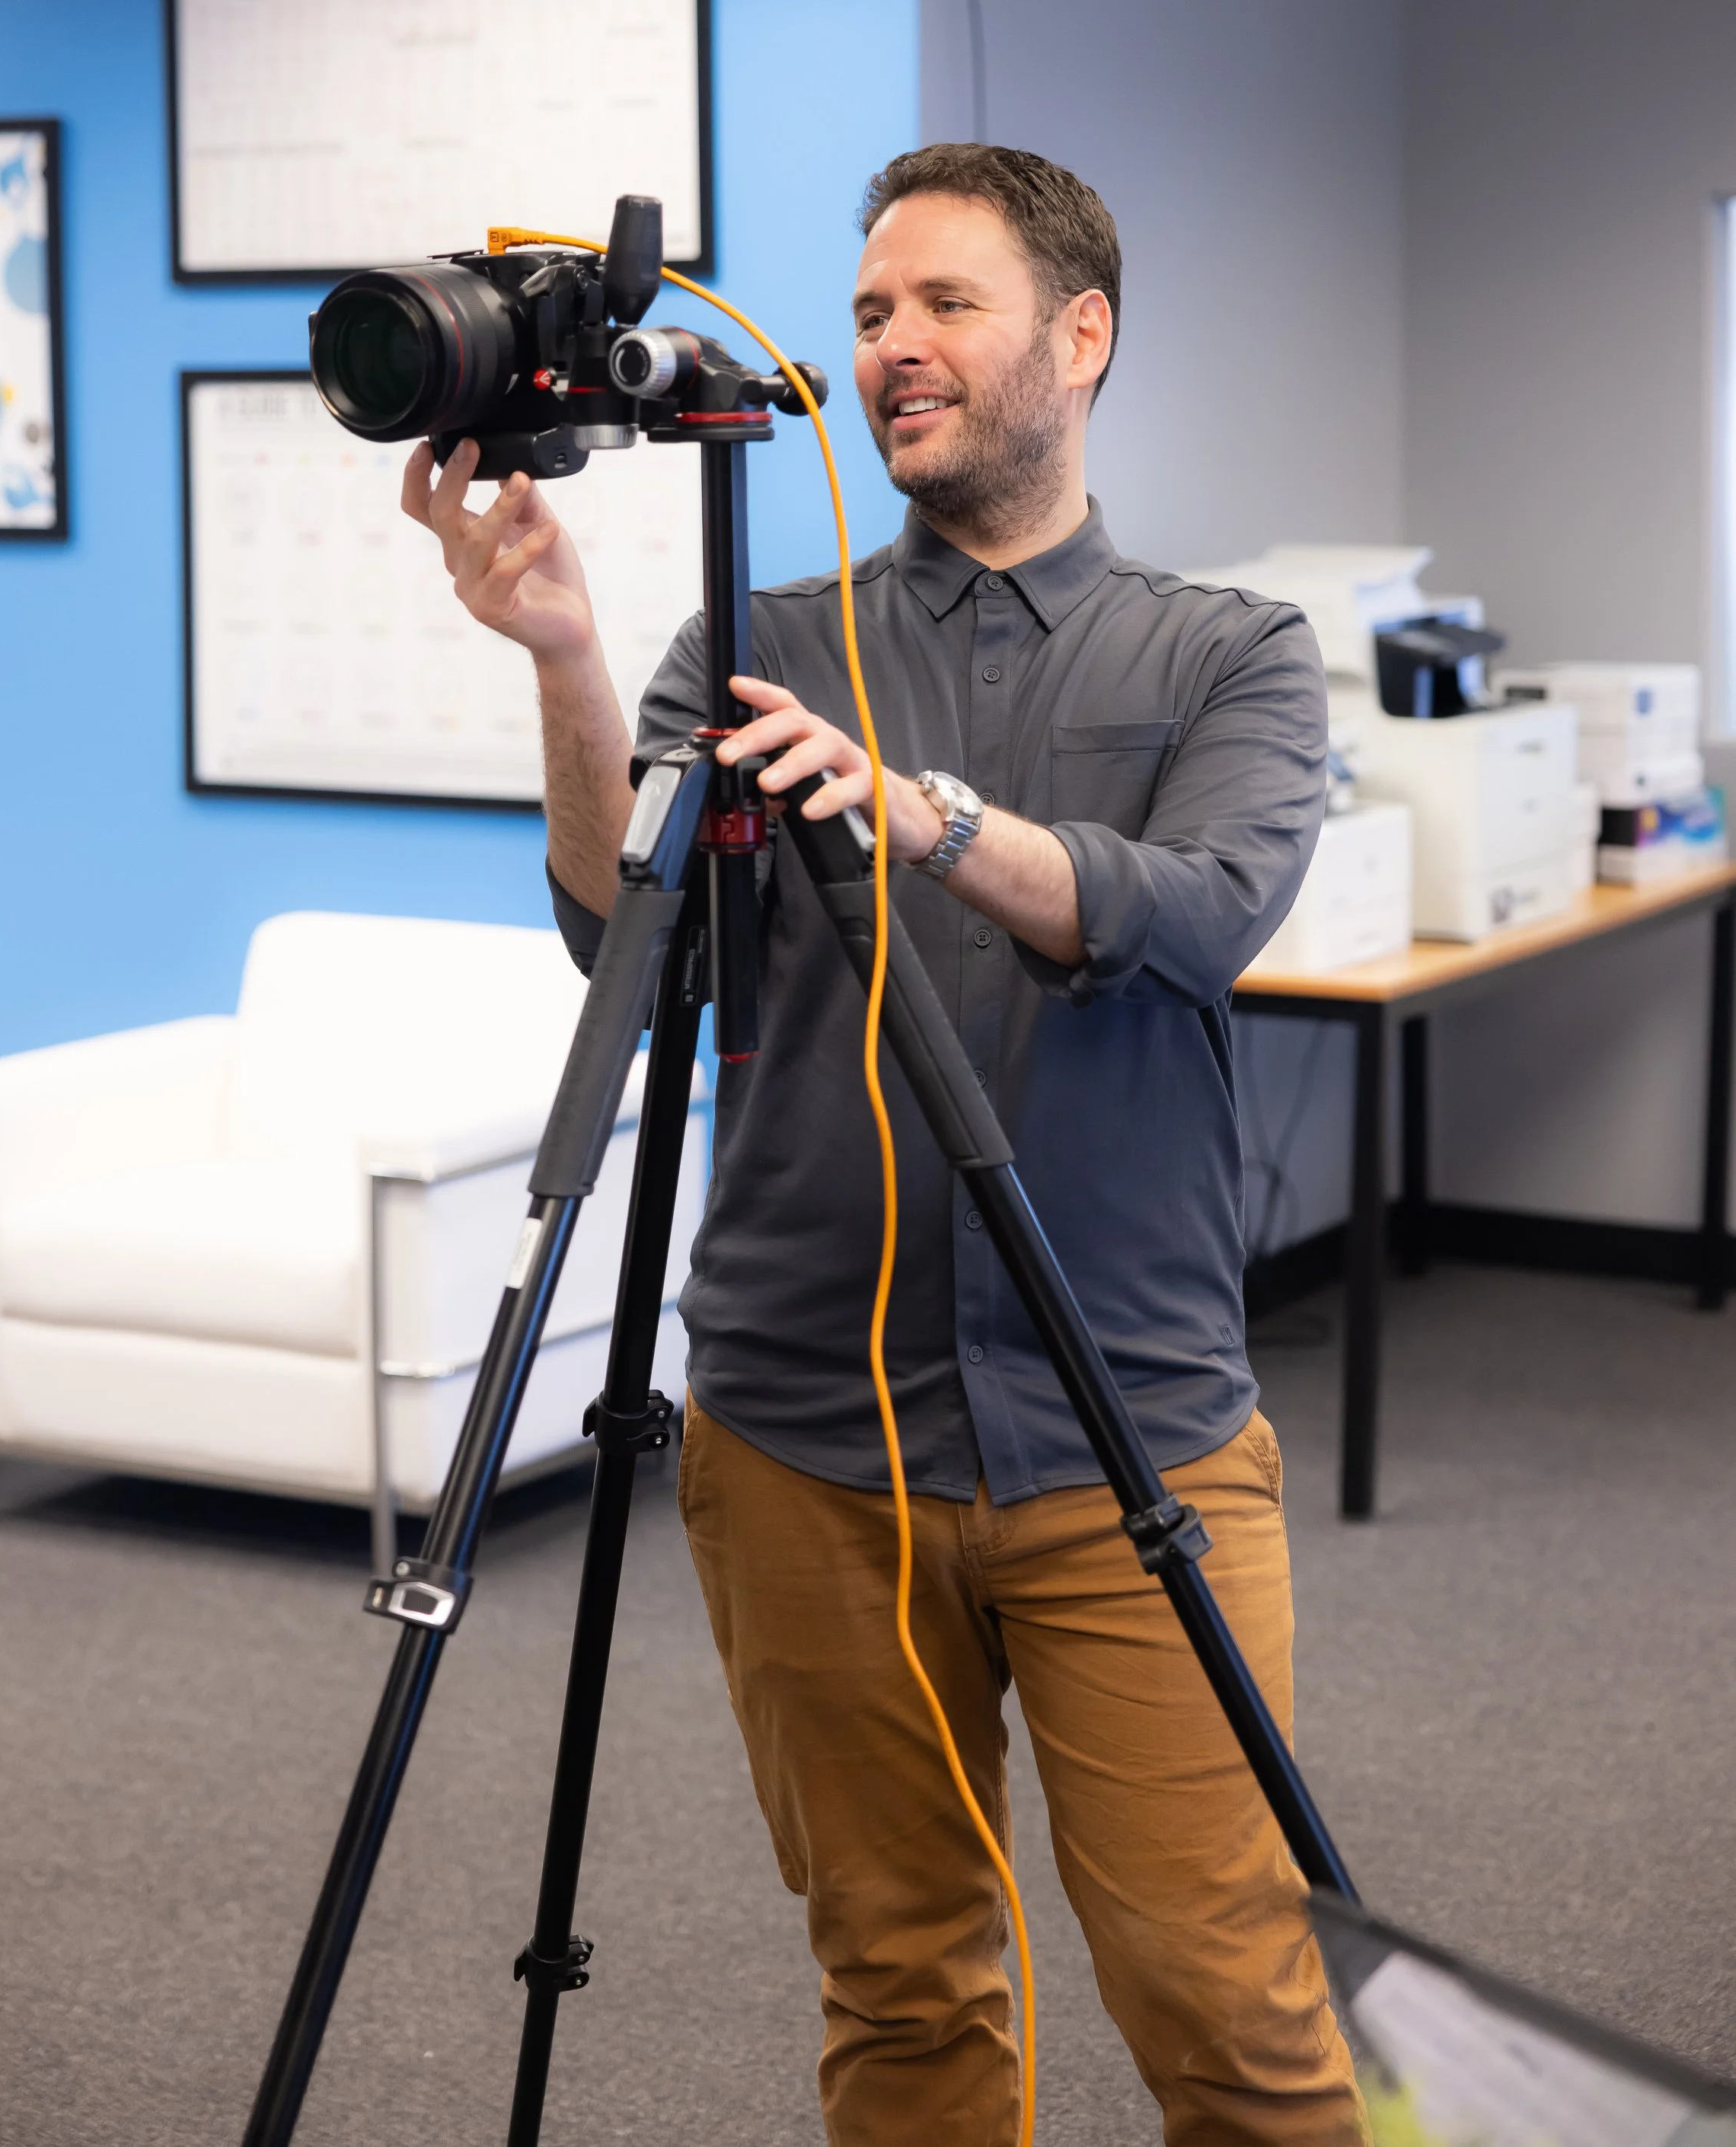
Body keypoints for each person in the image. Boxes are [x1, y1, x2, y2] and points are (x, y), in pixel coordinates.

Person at [403, 143, 1364, 2147]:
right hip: (804, 1445)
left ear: (1080, 337)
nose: (890, 346)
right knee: (901, 1987)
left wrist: (915, 812)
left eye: (943, 303)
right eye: (865, 313)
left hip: (1128, 1428)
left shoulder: (1229, 650)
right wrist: (569, 661)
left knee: (1229, 2002)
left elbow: (1193, 914)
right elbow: (632, 939)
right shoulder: (752, 641)